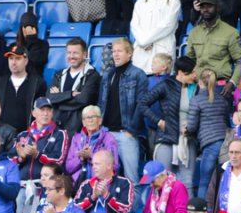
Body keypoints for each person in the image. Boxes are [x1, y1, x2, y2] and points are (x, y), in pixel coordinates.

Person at [138, 56, 199, 193]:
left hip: (187, 140)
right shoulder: (166, 85)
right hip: (166, 138)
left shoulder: (196, 88)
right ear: (182, 73)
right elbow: (142, 103)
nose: (196, 75)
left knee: (187, 182)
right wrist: (158, 121)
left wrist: (192, 126)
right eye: (193, 72)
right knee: (163, 181)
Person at [97, 38, 148, 185]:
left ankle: (131, 209)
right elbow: (101, 103)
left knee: (131, 179)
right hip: (107, 133)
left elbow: (141, 105)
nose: (115, 54)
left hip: (126, 133)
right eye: (113, 51)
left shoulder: (138, 74)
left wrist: (131, 130)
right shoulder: (108, 75)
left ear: (130, 54)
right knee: (106, 179)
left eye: (119, 51)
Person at [187, 70, 231, 199]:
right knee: (225, 182)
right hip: (226, 143)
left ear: (200, 81)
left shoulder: (197, 99)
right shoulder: (222, 98)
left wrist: (186, 129)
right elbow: (226, 121)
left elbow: (192, 126)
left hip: (210, 144)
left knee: (204, 184)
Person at [186, 0, 241, 94]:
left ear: (217, 8)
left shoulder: (231, 32)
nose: (205, 9)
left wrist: (232, 83)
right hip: (198, 86)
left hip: (220, 86)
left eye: (209, 6)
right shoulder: (194, 32)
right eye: (203, 7)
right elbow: (189, 60)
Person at [47, 39, 101, 135]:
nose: (71, 56)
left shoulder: (92, 75)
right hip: (56, 128)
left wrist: (59, 99)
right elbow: (49, 98)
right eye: (69, 53)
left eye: (75, 53)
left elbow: (84, 99)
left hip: (78, 131)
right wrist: (70, 94)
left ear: (84, 55)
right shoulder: (59, 75)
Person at [0, 46, 48, 135]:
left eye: (18, 59)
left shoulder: (38, 83)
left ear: (26, 61)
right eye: (11, 58)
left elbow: (42, 111)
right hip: (3, 137)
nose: (13, 62)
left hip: (29, 136)